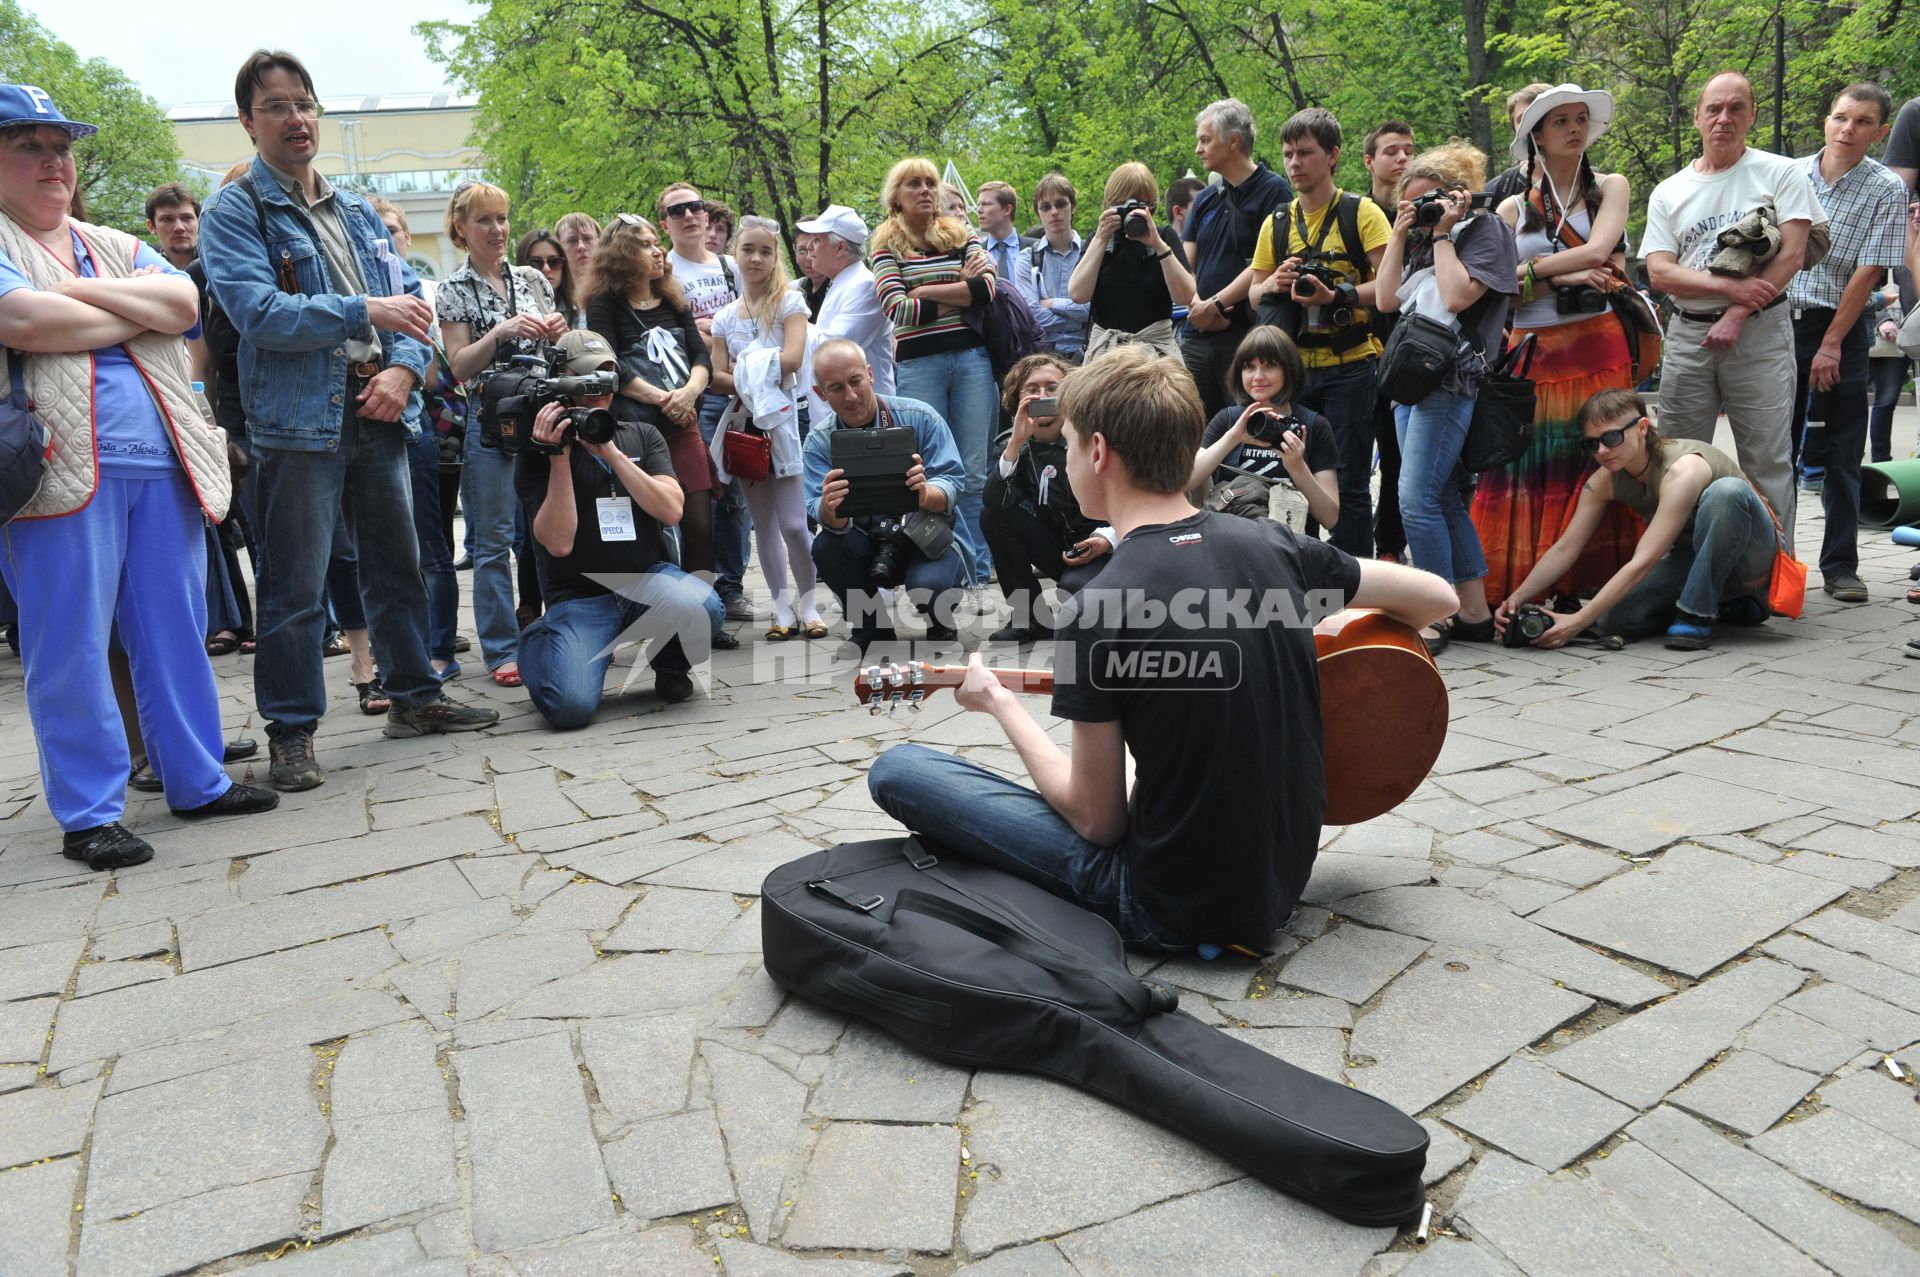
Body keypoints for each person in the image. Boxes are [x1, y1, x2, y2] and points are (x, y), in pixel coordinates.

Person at [866, 344, 1457, 949]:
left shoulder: (1098, 606)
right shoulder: (1276, 546)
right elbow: (1440, 599)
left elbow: (1098, 823)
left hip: (1167, 907)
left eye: (1069, 444)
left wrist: (998, 702)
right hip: (1282, 885)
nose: (1068, 460)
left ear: (1098, 453)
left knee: (899, 770)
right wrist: (1299, 647)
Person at [0, 81, 280, 869]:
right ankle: (90, 811)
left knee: (175, 629)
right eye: (30, 146)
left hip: (161, 460)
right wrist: (135, 312)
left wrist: (74, 297)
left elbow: (184, 300)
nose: (55, 161)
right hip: (51, 473)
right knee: (70, 645)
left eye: (61, 147)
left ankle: (196, 779)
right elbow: (19, 320)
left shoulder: (105, 242)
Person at [200, 50, 498, 792]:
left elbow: (410, 309)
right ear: (247, 121)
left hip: (381, 409)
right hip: (298, 421)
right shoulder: (235, 211)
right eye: (276, 106)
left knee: (399, 565)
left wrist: (401, 369)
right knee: (295, 585)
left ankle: (413, 697)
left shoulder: (359, 209)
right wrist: (362, 312)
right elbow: (259, 314)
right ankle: (292, 730)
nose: (296, 118)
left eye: (304, 103)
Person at [1474, 84, 1644, 611]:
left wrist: (1532, 271)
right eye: (1561, 121)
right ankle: (1533, 586)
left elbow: (1601, 252)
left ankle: (1601, 586)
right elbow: (1498, 284)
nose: (1575, 128)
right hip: (1534, 351)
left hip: (1598, 348)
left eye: (1581, 119)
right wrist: (1548, 275)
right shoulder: (1509, 208)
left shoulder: (1610, 186)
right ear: (1537, 138)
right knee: (1533, 464)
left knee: (1599, 456)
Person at [1641, 71, 1820, 547]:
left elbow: (1794, 253)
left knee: (1766, 458)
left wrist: (1738, 309)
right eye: (1714, 109)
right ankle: (1680, 568)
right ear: (1697, 117)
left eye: (1736, 108)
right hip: (1687, 336)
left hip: (1759, 332)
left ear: (1752, 116)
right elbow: (1659, 272)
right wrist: (1730, 290)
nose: (1724, 118)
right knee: (1678, 458)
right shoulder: (1669, 190)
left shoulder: (1781, 173)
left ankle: (1772, 576)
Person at [515, 330, 724, 727]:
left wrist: (610, 450)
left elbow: (671, 511)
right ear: (563, 383)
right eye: (588, 379)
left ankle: (670, 664)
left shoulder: (642, 433)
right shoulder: (539, 449)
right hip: (579, 596)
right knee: (569, 710)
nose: (599, 389)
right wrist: (559, 459)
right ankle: (542, 642)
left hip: (645, 580)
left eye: (608, 377)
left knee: (701, 604)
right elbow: (558, 544)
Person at [1375, 141, 1520, 656]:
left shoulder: (1486, 231)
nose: (1422, 212)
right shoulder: (1415, 235)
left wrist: (1442, 235)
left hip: (1452, 381)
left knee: (1415, 500)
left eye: (1430, 201)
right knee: (1440, 499)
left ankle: (1433, 615)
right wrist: (1400, 232)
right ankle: (1475, 614)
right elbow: (1386, 299)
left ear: (1456, 193)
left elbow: (1459, 296)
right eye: (1411, 205)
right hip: (1408, 382)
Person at [1496, 389, 1778, 651]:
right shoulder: (1603, 481)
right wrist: (1517, 598)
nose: (1602, 451)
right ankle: (1729, 604)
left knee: (1726, 492)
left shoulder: (1683, 469)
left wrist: (1579, 620)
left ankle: (1698, 614)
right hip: (1694, 558)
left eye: (1612, 438)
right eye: (1591, 444)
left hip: (1752, 557)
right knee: (1616, 618)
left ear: (1642, 428)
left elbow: (1643, 560)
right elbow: (1565, 548)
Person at [582, 215, 738, 651]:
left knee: (701, 523)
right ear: (623, 255)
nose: (658, 252)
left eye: (657, 244)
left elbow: (700, 357)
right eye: (647, 244)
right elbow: (610, 363)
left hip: (680, 423)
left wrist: (687, 393)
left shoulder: (673, 299)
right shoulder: (603, 303)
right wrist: (661, 398)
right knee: (649, 528)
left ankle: (706, 617)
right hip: (637, 428)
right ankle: (658, 618)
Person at [1239, 108, 1390, 556]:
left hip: (1351, 366)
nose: (1294, 163)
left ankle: (1356, 580)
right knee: (1288, 476)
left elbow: (1389, 287)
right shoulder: (1278, 222)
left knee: (1352, 480)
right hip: (1296, 371)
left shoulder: (1361, 212)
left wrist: (1335, 297)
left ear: (1333, 155)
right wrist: (1275, 284)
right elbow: (1253, 293)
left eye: (1305, 152)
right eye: (1287, 154)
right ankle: (1299, 572)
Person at [437, 180, 566, 688]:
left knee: (549, 535)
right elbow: (460, 366)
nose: (497, 229)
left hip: (541, 416)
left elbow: (556, 350)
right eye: (484, 221)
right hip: (491, 426)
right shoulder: (453, 290)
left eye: (502, 219)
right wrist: (500, 332)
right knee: (491, 543)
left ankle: (559, 627)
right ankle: (501, 649)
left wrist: (554, 330)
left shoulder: (534, 279)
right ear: (461, 230)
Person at [1784, 83, 1908, 605]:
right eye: (1840, 118)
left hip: (1841, 324)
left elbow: (1870, 271)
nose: (1847, 129)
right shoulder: (1788, 174)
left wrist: (1832, 343)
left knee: (1841, 450)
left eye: (1861, 122)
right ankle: (1768, 563)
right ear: (1826, 121)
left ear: (1880, 132)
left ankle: (1840, 567)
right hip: (1777, 323)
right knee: (1773, 449)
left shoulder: (1887, 188)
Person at [870, 157, 1001, 586]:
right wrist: (956, 293)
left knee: (975, 471)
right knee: (934, 469)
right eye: (914, 184)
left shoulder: (962, 234)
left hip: (972, 361)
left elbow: (987, 290)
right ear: (896, 196)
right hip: (920, 366)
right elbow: (897, 308)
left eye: (930, 183)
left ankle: (978, 572)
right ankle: (953, 565)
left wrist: (923, 289)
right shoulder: (885, 245)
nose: (926, 190)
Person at [804, 337, 968, 650]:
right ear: (820, 393)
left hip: (923, 535)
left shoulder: (921, 417)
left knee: (931, 585)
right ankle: (872, 627)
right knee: (826, 546)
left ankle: (940, 618)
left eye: (855, 381)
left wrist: (925, 493)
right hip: (864, 542)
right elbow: (817, 511)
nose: (850, 396)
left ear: (870, 374)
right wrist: (830, 508)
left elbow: (954, 481)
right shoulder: (819, 442)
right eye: (836, 388)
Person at [709, 216, 824, 639]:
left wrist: (748, 367)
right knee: (764, 525)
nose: (755, 258)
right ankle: (782, 609)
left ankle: (809, 602)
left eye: (765, 250)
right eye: (748, 249)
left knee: (795, 523)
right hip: (744, 425)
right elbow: (717, 376)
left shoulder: (789, 303)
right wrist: (756, 371)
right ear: (735, 255)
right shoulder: (724, 318)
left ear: (776, 257)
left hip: (784, 420)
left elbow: (794, 357)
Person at [657, 182, 754, 622]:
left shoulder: (731, 266)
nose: (690, 215)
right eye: (678, 211)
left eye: (695, 206)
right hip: (694, 397)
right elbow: (673, 334)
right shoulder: (663, 274)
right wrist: (709, 330)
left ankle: (731, 587)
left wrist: (709, 328)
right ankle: (696, 589)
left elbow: (751, 319)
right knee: (697, 498)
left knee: (736, 496)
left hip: (738, 393)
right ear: (666, 223)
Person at [982, 353, 1115, 643]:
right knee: (994, 515)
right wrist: (1015, 444)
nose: (1042, 396)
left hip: (1101, 544)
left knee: (1075, 589)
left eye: (1052, 388)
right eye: (1031, 390)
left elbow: (1128, 497)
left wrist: (1107, 538)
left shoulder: (1095, 437)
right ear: (1017, 399)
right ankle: (1029, 617)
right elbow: (995, 503)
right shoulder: (1012, 444)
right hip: (1056, 544)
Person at [1181, 98, 1293, 422]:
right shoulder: (1204, 198)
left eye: (1205, 140)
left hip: (1244, 335)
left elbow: (1265, 264)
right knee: (1195, 426)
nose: (1198, 149)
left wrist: (1215, 304)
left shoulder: (1274, 192)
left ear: (1233, 141)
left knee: (1246, 424)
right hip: (1196, 334)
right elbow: (1187, 262)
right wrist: (1198, 306)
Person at [1188, 325, 1340, 536]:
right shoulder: (1228, 419)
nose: (1258, 376)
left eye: (1270, 366)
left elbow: (1330, 517)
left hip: (1291, 544)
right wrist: (1232, 437)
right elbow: (1188, 479)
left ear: (1289, 369)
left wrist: (1297, 467)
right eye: (1249, 367)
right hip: (1233, 538)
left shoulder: (1314, 425)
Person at [1067, 162, 1195, 360]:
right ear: (1110, 205)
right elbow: (1077, 294)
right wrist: (1101, 239)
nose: (1131, 212)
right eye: (1123, 204)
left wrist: (1158, 245)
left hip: (1156, 351)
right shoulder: (1101, 240)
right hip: (1107, 352)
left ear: (1152, 206)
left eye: (1140, 205)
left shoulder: (1164, 237)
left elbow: (1185, 296)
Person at [1363, 121, 1417, 562]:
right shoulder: (1355, 212)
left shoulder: (1424, 211)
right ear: (1369, 161)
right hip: (1363, 345)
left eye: (1409, 151)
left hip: (1414, 349)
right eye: (1391, 152)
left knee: (1400, 454)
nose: (1402, 159)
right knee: (1361, 451)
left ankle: (1391, 547)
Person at [795, 204, 896, 428]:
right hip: (847, 411)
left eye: (817, 241)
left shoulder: (864, 286)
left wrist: (792, 320)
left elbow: (831, 348)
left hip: (867, 415)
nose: (810, 249)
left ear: (840, 247)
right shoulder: (844, 281)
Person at [1021, 173, 1090, 359]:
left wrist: (1052, 303)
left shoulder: (1092, 253)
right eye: (1045, 207)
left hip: (1089, 355)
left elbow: (1096, 310)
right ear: (1038, 213)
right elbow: (1031, 316)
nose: (1054, 212)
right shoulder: (1026, 258)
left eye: (1060, 204)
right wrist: (1079, 320)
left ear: (1073, 206)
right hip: (1044, 358)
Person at [976, 180, 1042, 327]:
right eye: (978, 204)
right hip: (991, 335)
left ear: (1007, 210)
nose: (979, 210)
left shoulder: (1036, 249)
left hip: (1032, 332)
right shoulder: (975, 253)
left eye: (986, 204)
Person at [1486, 84, 1555, 203]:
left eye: (1540, 117)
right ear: (1515, 129)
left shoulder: (1591, 184)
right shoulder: (1500, 188)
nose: (1533, 126)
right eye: (1523, 119)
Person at [1869, 275, 1910, 463]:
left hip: (1905, 337)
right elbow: (1864, 288)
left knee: (1886, 401)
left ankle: (1882, 459)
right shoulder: (1892, 255)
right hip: (1887, 336)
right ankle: (1879, 460)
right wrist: (1882, 319)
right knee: (1884, 400)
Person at [519, 227, 580, 329]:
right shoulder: (510, 312)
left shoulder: (578, 309)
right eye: (536, 263)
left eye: (554, 262)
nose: (546, 269)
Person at [145, 182, 201, 270]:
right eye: (167, 219)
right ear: (151, 226)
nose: (179, 228)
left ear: (199, 221)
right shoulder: (139, 269)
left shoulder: (221, 265)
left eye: (187, 218)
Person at [555, 212, 601, 318]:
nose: (581, 246)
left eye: (587, 238)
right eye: (572, 241)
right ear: (558, 248)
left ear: (600, 242)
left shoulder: (617, 293)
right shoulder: (549, 300)